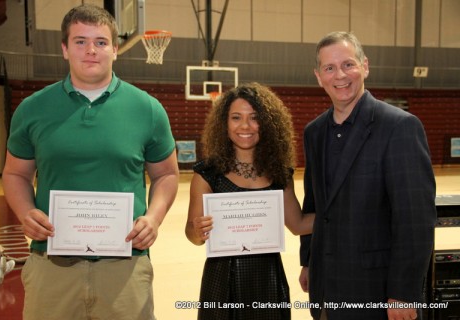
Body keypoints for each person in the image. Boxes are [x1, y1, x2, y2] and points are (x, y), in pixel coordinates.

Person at [2, 4, 179, 320]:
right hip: (51, 265)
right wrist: (26, 212)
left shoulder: (148, 109)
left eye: (100, 42)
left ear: (115, 50)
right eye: (80, 41)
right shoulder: (32, 109)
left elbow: (166, 174)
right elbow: (15, 173)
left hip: (126, 266)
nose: (91, 50)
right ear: (65, 49)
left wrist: (153, 218)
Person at [299, 31, 437, 320]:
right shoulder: (314, 132)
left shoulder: (399, 127)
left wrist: (404, 293)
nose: (340, 75)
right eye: (330, 68)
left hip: (378, 292)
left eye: (348, 64)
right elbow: (314, 205)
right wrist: (308, 261)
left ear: (365, 66)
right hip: (326, 289)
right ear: (318, 76)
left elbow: (415, 220)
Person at [185, 82, 314, 320]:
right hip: (222, 281)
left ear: (267, 123)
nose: (245, 125)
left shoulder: (279, 173)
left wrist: (342, 213)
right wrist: (198, 229)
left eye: (254, 118)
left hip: (268, 279)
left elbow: (297, 224)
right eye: (236, 117)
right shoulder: (207, 174)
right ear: (224, 123)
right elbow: (193, 236)